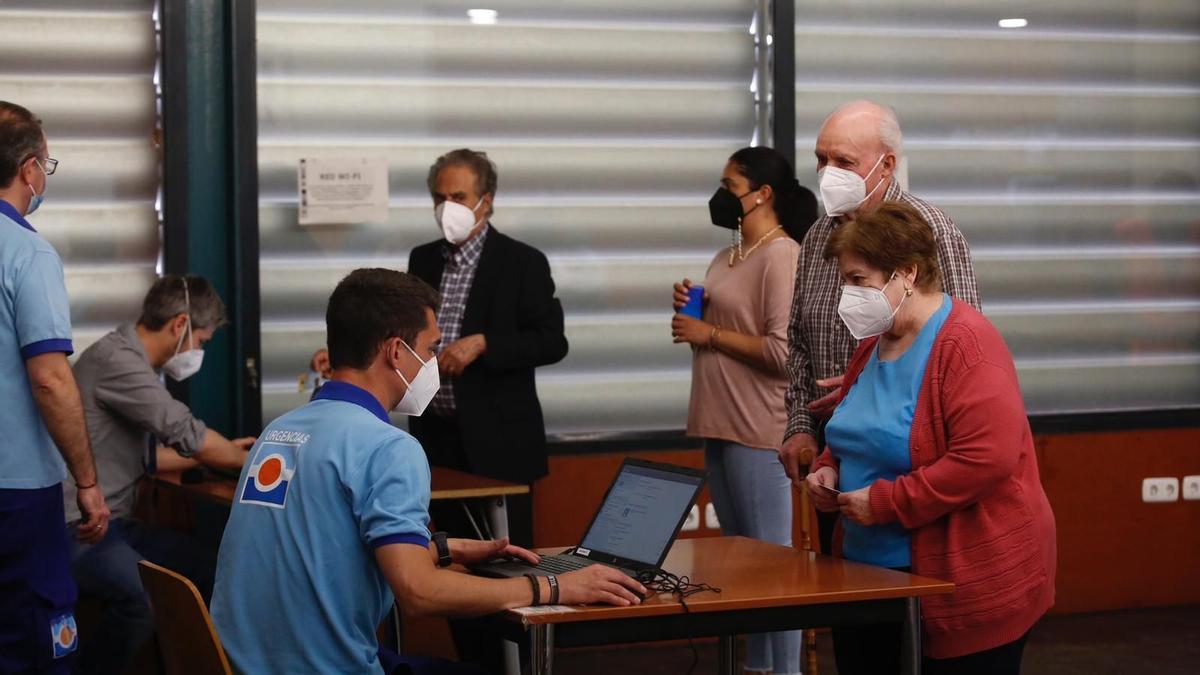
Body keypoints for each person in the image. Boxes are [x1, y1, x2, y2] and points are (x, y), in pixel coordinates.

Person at [211, 269, 644, 675]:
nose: (435, 361)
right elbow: (419, 592)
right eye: (431, 348)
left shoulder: (280, 430)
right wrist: (552, 587)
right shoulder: (388, 448)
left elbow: (321, 543)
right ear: (396, 350)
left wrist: (440, 548)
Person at [804, 201, 1056, 675]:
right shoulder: (873, 343)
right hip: (868, 574)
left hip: (961, 581)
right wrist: (827, 467)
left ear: (907, 274)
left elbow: (985, 461)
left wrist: (885, 502)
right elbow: (853, 431)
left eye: (858, 280)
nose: (847, 294)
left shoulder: (968, 344)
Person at [780, 100, 981, 552]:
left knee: (911, 608)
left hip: (912, 467)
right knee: (846, 597)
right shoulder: (818, 236)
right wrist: (798, 425)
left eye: (844, 162)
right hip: (833, 462)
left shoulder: (931, 231)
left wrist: (867, 386)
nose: (828, 172)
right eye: (821, 160)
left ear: (886, 165)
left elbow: (966, 350)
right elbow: (797, 341)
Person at [63, 274, 255, 673]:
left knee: (210, 566)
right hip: (80, 529)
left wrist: (219, 454)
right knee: (141, 603)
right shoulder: (118, 361)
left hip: (117, 524)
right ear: (180, 325)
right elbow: (187, 434)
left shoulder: (124, 357)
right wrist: (253, 463)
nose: (198, 351)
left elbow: (152, 456)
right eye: (202, 342)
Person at [671, 146, 812, 675]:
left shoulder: (782, 255)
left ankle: (786, 668)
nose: (721, 195)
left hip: (758, 427)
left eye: (730, 186)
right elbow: (722, 339)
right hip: (718, 420)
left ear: (763, 194)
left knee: (771, 562)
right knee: (740, 563)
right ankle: (756, 665)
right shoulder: (727, 255)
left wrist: (710, 331)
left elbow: (781, 352)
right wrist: (699, 319)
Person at [407, 148, 567, 549]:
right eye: (439, 199)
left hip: (499, 444)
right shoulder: (423, 259)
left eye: (458, 198)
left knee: (506, 562)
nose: (448, 208)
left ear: (486, 201)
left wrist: (484, 344)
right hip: (435, 440)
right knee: (445, 556)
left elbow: (552, 341)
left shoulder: (522, 262)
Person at [0, 100, 112, 674]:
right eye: (48, 164)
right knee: (37, 643)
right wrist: (88, 483)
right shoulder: (27, 253)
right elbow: (49, 378)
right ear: (28, 170)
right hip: (16, 494)